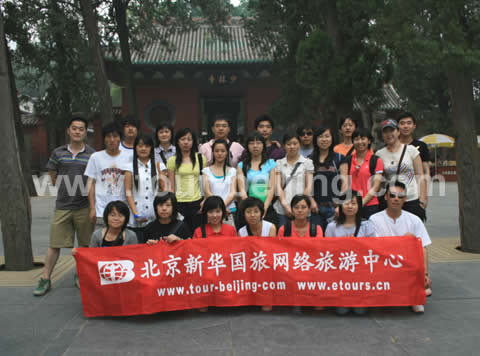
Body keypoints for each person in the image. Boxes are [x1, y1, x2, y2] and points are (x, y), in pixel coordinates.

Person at [34, 117, 95, 296]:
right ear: (68, 130)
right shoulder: (58, 153)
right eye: (74, 128)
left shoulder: (92, 154)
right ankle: (45, 278)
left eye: (81, 129)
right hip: (62, 206)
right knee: (55, 244)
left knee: (85, 245)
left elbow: (94, 180)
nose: (77, 132)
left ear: (85, 132)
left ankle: (81, 275)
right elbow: (52, 176)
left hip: (84, 206)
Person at [369, 181, 432, 313]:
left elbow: (423, 248)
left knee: (415, 250)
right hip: (384, 263)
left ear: (405, 199)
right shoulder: (374, 219)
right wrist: (404, 242)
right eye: (392, 195)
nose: (396, 199)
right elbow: (374, 247)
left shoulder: (414, 220)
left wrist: (425, 274)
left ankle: (414, 298)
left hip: (406, 264)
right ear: (385, 197)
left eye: (400, 196)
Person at [325, 190, 374, 315]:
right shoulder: (332, 226)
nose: (350, 206)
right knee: (341, 311)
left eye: (353, 203)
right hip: (340, 275)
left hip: (361, 274)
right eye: (346, 203)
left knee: (360, 311)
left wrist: (358, 245)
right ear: (340, 205)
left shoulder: (367, 225)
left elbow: (374, 249)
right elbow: (326, 252)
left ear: (359, 206)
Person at [375, 119, 427, 221]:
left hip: (411, 198)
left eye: (392, 130)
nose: (389, 134)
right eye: (386, 132)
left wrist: (422, 200)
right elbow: (380, 180)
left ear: (398, 132)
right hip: (391, 200)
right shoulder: (379, 154)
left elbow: (420, 175)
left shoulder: (411, 150)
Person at [84, 122, 131, 228]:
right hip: (101, 211)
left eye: (115, 136)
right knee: (102, 241)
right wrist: (92, 208)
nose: (112, 140)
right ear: (104, 139)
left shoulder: (129, 157)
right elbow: (91, 184)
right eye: (108, 136)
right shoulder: (95, 157)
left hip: (123, 211)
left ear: (120, 138)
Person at [124, 135, 165, 242]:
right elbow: (128, 191)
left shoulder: (159, 166)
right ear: (135, 148)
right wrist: (135, 213)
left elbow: (163, 190)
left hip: (156, 214)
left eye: (147, 146)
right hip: (137, 215)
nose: (143, 149)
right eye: (140, 146)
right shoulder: (129, 167)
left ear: (151, 148)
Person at [167, 128, 207, 232]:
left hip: (197, 202)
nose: (186, 142)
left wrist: (204, 199)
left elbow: (204, 181)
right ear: (177, 141)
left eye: (189, 139)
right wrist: (171, 203)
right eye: (183, 139)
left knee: (197, 233)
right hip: (179, 202)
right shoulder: (172, 160)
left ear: (193, 141)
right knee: (180, 233)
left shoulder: (200, 158)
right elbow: (171, 185)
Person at [310, 127, 348, 231]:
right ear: (315, 139)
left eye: (327, 136)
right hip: (315, 208)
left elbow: (345, 183)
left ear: (332, 139)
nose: (324, 139)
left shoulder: (340, 158)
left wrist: (341, 206)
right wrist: (311, 201)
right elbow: (306, 184)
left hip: (334, 207)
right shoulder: (309, 159)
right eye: (321, 137)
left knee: (335, 240)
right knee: (316, 240)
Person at [237, 132, 278, 227]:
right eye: (251, 143)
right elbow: (242, 190)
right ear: (247, 146)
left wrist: (264, 207)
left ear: (263, 145)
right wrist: (251, 209)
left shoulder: (271, 163)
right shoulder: (241, 166)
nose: (255, 146)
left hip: (267, 208)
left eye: (258, 143)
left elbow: (272, 188)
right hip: (248, 210)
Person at [274, 133, 314, 227]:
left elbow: (308, 186)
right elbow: (278, 186)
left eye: (295, 144)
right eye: (288, 144)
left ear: (299, 144)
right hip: (283, 209)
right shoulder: (279, 163)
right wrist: (285, 205)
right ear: (284, 146)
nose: (292, 147)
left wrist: (300, 206)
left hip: (302, 209)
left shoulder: (307, 162)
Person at [346, 128, 384, 219]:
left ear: (369, 140)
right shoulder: (348, 160)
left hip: (371, 205)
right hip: (351, 206)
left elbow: (376, 186)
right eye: (356, 139)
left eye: (363, 138)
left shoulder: (375, 160)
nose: (360, 142)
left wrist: (361, 202)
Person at [397, 112, 430, 212]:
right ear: (397, 126)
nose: (405, 126)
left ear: (414, 126)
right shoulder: (392, 146)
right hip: (395, 194)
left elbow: (426, 172)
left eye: (409, 123)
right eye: (402, 123)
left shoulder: (421, 146)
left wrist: (424, 196)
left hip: (414, 194)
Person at [202, 139, 237, 225]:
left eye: (223, 151)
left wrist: (222, 207)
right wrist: (219, 208)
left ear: (227, 153)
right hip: (212, 212)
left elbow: (232, 193)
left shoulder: (233, 171)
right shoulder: (206, 171)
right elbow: (207, 192)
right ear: (213, 153)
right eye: (217, 151)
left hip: (229, 211)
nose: (220, 153)